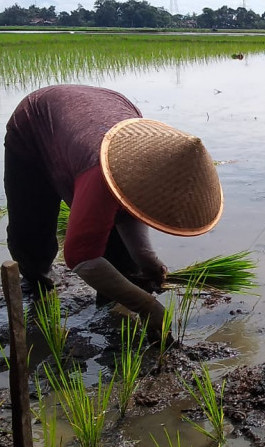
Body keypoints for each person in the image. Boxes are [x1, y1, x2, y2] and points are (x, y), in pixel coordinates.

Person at [4, 84, 223, 342]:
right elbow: (80, 257)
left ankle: (109, 317)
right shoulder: (100, 170)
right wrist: (148, 306)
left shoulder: (153, 165)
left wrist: (146, 257)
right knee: (32, 237)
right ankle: (39, 285)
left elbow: (132, 208)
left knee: (123, 261)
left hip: (90, 120)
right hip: (35, 128)